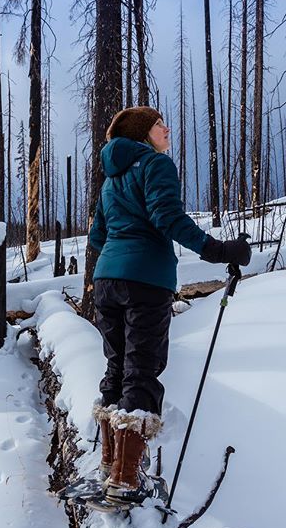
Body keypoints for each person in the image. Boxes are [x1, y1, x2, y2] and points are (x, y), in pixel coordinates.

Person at [89, 106, 251, 505]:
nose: (167, 128)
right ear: (145, 133)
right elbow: (168, 219)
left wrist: (121, 249)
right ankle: (126, 480)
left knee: (117, 367)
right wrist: (219, 250)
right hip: (145, 280)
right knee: (141, 371)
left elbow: (97, 236)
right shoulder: (155, 166)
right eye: (160, 124)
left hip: (107, 281)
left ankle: (111, 466)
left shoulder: (112, 178)